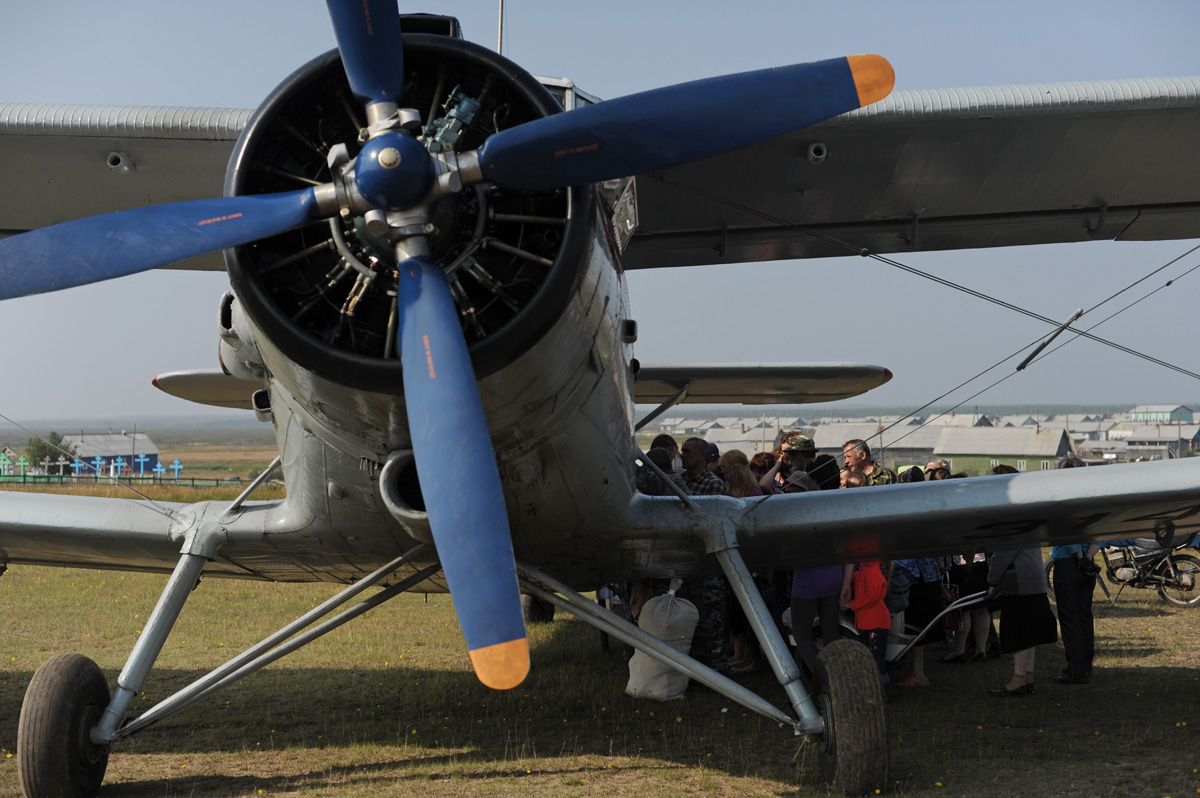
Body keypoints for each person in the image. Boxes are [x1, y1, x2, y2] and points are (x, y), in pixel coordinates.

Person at [1050, 454, 1099, 685]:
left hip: (1068, 563)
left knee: (1069, 618)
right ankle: (1086, 665)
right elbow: (1102, 533)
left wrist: (1079, 556)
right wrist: (1088, 557)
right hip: (1087, 565)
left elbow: (1066, 533)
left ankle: (1075, 668)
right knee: (1084, 615)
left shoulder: (1062, 499)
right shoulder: (1091, 499)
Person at [986, 546, 1058, 697]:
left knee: (1020, 633)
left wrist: (992, 580)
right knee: (1029, 634)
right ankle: (1027, 678)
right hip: (1033, 579)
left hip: (1020, 582)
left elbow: (1003, 553)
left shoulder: (1011, 525)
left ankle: (1018, 681)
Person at [844, 558, 891, 684]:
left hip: (876, 623)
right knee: (871, 656)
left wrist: (852, 605)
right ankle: (875, 685)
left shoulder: (872, 570)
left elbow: (871, 597)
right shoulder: (864, 569)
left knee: (876, 657)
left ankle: (879, 685)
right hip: (869, 623)